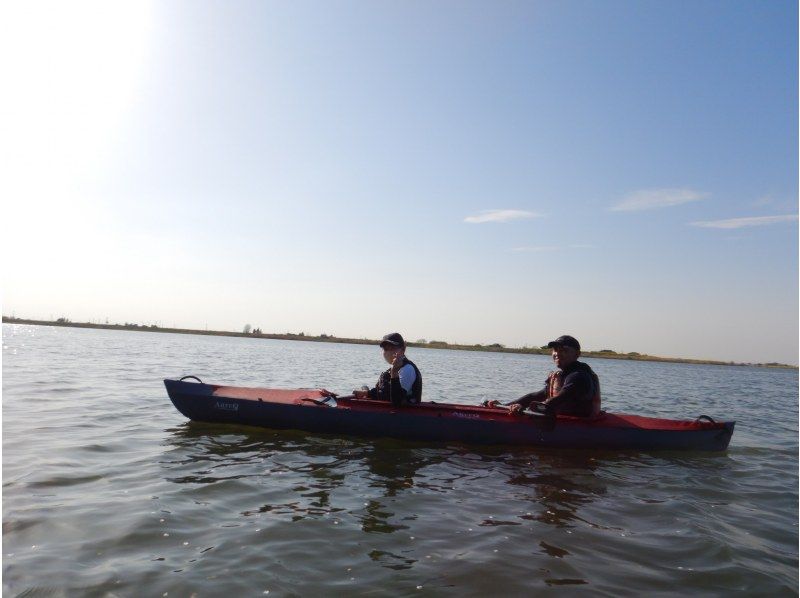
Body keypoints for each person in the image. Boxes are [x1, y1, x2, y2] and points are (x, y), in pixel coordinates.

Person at [488, 335, 601, 417]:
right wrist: (505, 406)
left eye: (564, 350)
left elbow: (557, 400)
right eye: (555, 350)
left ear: (577, 354)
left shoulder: (578, 376)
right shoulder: (563, 374)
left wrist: (525, 409)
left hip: (578, 425)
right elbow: (536, 396)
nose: (557, 353)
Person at [353, 333, 422, 407]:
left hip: (404, 415)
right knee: (364, 387)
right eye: (386, 349)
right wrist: (366, 393)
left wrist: (394, 372)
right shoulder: (393, 368)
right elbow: (385, 392)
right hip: (388, 412)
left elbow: (397, 401)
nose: (389, 352)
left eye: (393, 348)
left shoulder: (407, 369)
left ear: (403, 349)